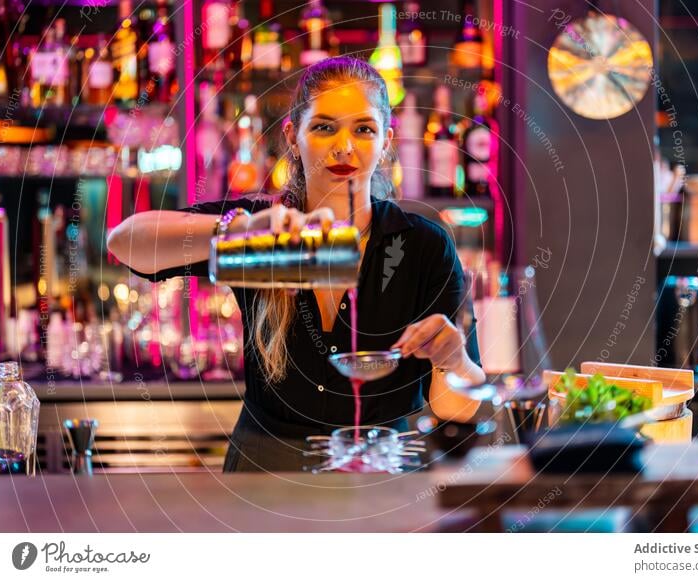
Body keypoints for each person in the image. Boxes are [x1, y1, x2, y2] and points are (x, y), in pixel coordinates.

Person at [107, 56, 486, 472]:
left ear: (386, 142)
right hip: (267, 471)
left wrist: (454, 361)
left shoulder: (422, 245)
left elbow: (457, 408)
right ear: (293, 136)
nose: (344, 146)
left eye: (364, 129)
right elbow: (125, 243)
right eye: (324, 127)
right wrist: (236, 231)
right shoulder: (261, 229)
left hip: (385, 469)